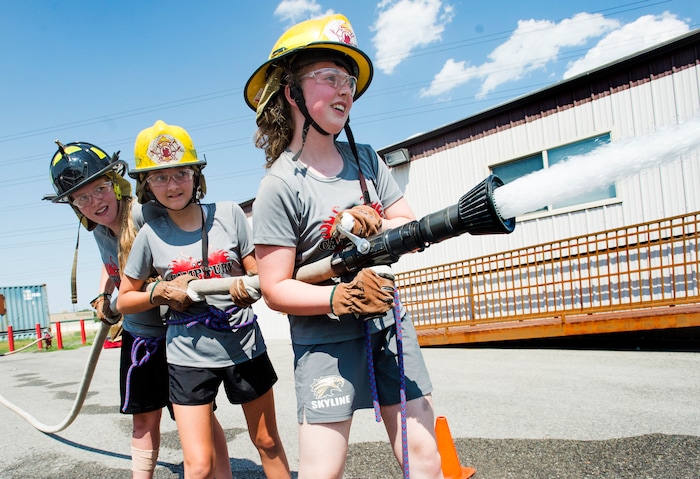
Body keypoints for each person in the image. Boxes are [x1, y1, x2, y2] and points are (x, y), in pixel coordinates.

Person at [244, 13, 444, 479]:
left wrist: (376, 226)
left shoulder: (366, 160)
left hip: (388, 322)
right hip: (324, 340)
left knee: (424, 451)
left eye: (349, 80)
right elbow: (275, 288)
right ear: (292, 92)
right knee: (323, 468)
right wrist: (338, 296)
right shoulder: (279, 185)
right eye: (329, 78)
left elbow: (407, 225)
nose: (344, 91)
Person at [48, 142, 232, 479]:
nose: (95, 202)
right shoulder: (98, 227)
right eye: (82, 198)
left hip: (180, 333)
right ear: (73, 205)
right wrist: (105, 295)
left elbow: (184, 250)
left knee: (199, 417)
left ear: (115, 183)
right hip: (140, 337)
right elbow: (114, 263)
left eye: (100, 189)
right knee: (144, 419)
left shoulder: (145, 213)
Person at [116, 120, 290, 479]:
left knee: (267, 441)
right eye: (159, 177)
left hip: (244, 345)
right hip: (187, 357)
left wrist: (249, 286)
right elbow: (124, 300)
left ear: (197, 175)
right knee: (198, 465)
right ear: (146, 185)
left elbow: (262, 272)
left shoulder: (229, 215)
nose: (172, 184)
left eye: (181, 173)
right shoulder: (149, 235)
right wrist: (157, 291)